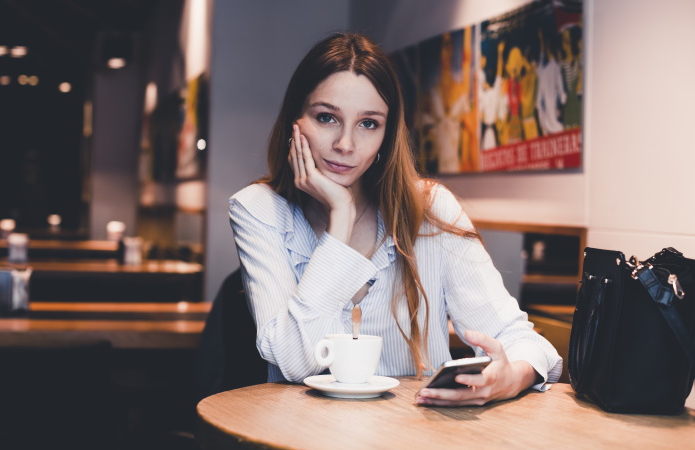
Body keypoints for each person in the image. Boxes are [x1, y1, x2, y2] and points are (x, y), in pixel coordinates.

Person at [229, 32, 562, 407]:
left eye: (368, 123)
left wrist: (509, 377)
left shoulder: (431, 208)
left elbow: (522, 340)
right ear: (295, 121)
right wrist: (341, 218)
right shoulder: (258, 209)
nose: (346, 144)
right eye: (327, 118)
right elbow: (293, 361)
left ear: (388, 135)